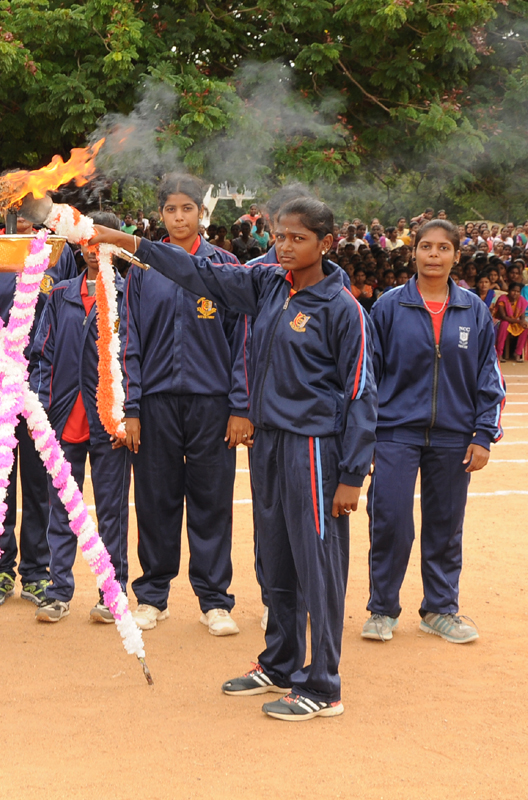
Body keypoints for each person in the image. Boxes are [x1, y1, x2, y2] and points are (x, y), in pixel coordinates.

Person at [92, 194, 377, 721]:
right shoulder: (267, 284)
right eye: (279, 236)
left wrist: (351, 475)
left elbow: (361, 393)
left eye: (298, 238)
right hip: (268, 443)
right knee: (277, 559)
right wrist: (129, 243)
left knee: (318, 565)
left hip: (314, 449)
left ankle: (324, 684)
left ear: (325, 243)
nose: (285, 247)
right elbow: (196, 272)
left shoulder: (342, 309)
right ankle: (282, 660)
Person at [363, 219, 504, 646]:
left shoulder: (473, 310)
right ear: (414, 252)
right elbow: (367, 374)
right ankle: (382, 609)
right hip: (394, 432)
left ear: (456, 256)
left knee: (445, 524)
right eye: (426, 247)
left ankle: (440, 609)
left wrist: (482, 435)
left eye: (444, 248)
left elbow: (488, 376)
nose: (434, 255)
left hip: (454, 436)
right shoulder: (388, 306)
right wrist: (365, 434)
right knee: (389, 520)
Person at [123, 175, 246, 636]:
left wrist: (240, 405)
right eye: (171, 209)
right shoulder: (141, 268)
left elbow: (242, 342)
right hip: (155, 403)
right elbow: (129, 340)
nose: (179, 217)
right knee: (155, 499)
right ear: (161, 215)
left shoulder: (227, 266)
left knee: (212, 500)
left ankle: (214, 600)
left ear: (201, 213)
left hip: (212, 403)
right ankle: (153, 595)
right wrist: (131, 407)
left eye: (187, 209)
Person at [0, 213, 81, 608]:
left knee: (39, 481)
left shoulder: (57, 251)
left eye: (30, 205)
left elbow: (65, 309)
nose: (23, 213)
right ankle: (0, 568)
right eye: (15, 206)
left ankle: (36, 571)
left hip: (41, 379)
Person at [31, 211, 133, 624]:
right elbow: (42, 354)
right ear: (77, 245)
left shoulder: (129, 295)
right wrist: (41, 407)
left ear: (117, 246)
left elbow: (132, 361)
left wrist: (127, 416)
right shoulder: (59, 296)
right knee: (63, 507)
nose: (95, 252)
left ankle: (113, 591)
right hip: (63, 418)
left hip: (108, 423)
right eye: (88, 243)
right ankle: (57, 591)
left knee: (111, 510)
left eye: (103, 243)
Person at [493, 283, 527, 361]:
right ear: (509, 291)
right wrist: (518, 321)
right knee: (504, 324)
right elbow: (503, 316)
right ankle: (499, 353)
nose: (515, 293)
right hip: (502, 321)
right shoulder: (503, 299)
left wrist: (522, 322)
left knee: (525, 327)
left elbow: (522, 317)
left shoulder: (521, 300)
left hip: (515, 321)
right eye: (513, 291)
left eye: (518, 291)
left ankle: (518, 353)